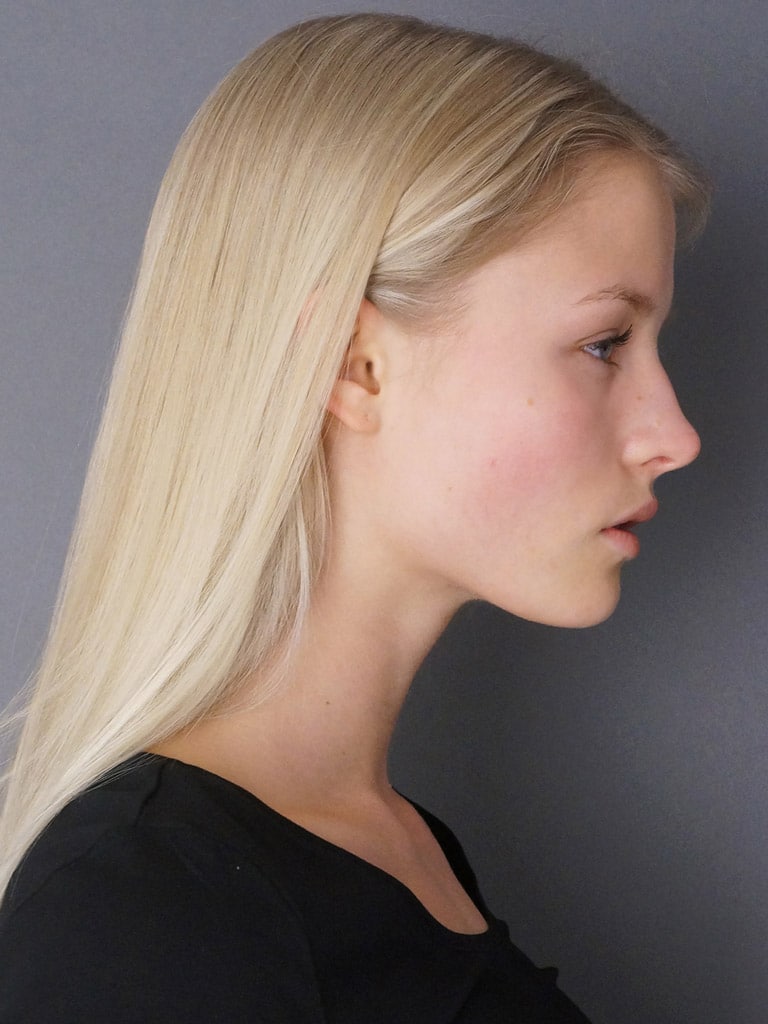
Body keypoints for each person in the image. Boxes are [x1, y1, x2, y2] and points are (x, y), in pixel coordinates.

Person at [0, 13, 708, 1023]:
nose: (673, 434)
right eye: (605, 344)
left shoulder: (396, 856)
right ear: (354, 364)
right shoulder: (141, 912)